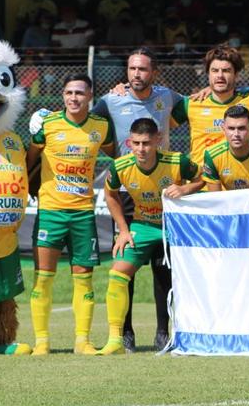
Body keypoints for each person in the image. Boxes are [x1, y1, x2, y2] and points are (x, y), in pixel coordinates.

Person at [88, 49, 181, 352]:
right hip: (127, 191)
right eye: (131, 69)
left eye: (142, 69)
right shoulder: (110, 100)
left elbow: (193, 111)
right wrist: (114, 156)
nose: (136, 74)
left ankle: (162, 331)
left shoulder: (168, 97)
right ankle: (125, 331)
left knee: (162, 266)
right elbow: (93, 130)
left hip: (163, 188)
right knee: (125, 259)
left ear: (154, 72)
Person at [26, 74, 115, 356]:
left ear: (90, 97)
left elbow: (117, 155)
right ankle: (42, 341)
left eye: (79, 93)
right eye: (68, 93)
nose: (73, 98)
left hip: (83, 215)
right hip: (50, 211)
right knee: (43, 278)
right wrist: (29, 184)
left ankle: (82, 341)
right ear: (62, 96)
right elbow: (29, 160)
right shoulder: (48, 125)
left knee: (84, 279)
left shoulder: (100, 127)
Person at [100, 118, 203, 355]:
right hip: (142, 226)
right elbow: (110, 194)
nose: (141, 149)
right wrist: (123, 230)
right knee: (117, 273)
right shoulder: (120, 166)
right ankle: (117, 338)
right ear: (129, 142)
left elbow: (202, 179)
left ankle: (169, 333)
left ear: (157, 141)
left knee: (183, 278)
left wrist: (185, 188)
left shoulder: (177, 161)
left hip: (174, 226)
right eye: (136, 143)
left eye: (146, 143)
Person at [171, 44, 249, 167]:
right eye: (214, 71)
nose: (220, 75)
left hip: (240, 181)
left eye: (226, 71)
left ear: (236, 75)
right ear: (208, 74)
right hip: (201, 183)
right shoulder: (191, 103)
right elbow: (158, 126)